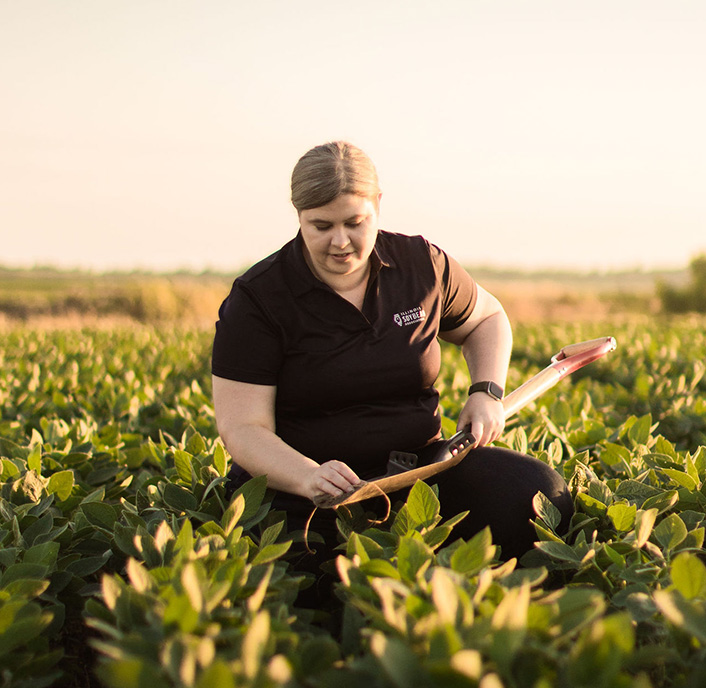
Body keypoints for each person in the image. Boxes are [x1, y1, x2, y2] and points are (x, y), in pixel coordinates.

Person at [211, 141, 573, 594]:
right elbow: (242, 427)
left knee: (535, 492)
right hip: (302, 491)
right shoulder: (259, 298)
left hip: (419, 469)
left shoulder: (421, 265)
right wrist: (307, 475)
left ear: (378, 206)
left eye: (354, 223)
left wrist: (486, 392)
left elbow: (486, 318)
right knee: (330, 583)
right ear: (298, 216)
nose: (340, 242)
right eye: (320, 226)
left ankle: (498, 611)